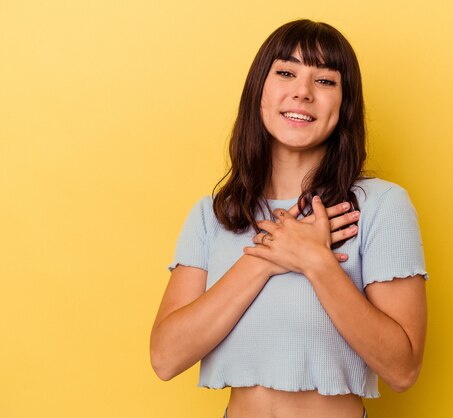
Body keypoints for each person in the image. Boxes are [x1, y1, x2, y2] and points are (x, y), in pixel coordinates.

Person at [150, 19, 428, 418]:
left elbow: (403, 369)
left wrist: (315, 261)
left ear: (344, 103)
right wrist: (267, 256)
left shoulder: (381, 206)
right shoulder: (213, 215)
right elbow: (165, 358)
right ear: (259, 91)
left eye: (325, 81)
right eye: (285, 73)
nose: (302, 92)